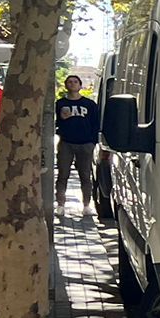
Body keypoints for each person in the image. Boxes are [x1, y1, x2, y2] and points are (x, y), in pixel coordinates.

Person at [54, 73, 100, 218]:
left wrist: (92, 142)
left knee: (85, 175)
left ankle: (86, 205)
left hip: (85, 144)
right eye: (69, 82)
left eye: (75, 82)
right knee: (63, 174)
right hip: (66, 143)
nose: (72, 84)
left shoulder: (89, 104)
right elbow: (56, 122)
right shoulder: (60, 104)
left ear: (80, 86)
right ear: (66, 85)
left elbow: (95, 123)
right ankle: (60, 204)